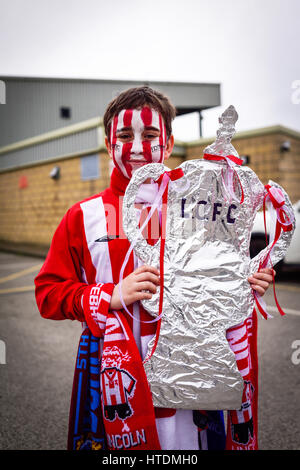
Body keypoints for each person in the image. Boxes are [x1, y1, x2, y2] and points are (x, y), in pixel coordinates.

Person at [34, 86, 274, 451]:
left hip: (191, 380)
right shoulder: (82, 217)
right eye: (124, 136)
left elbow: (216, 283)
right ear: (107, 143)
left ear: (169, 140)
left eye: (148, 135)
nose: (136, 146)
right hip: (119, 381)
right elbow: (47, 293)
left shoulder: (200, 213)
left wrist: (245, 284)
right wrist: (109, 295)